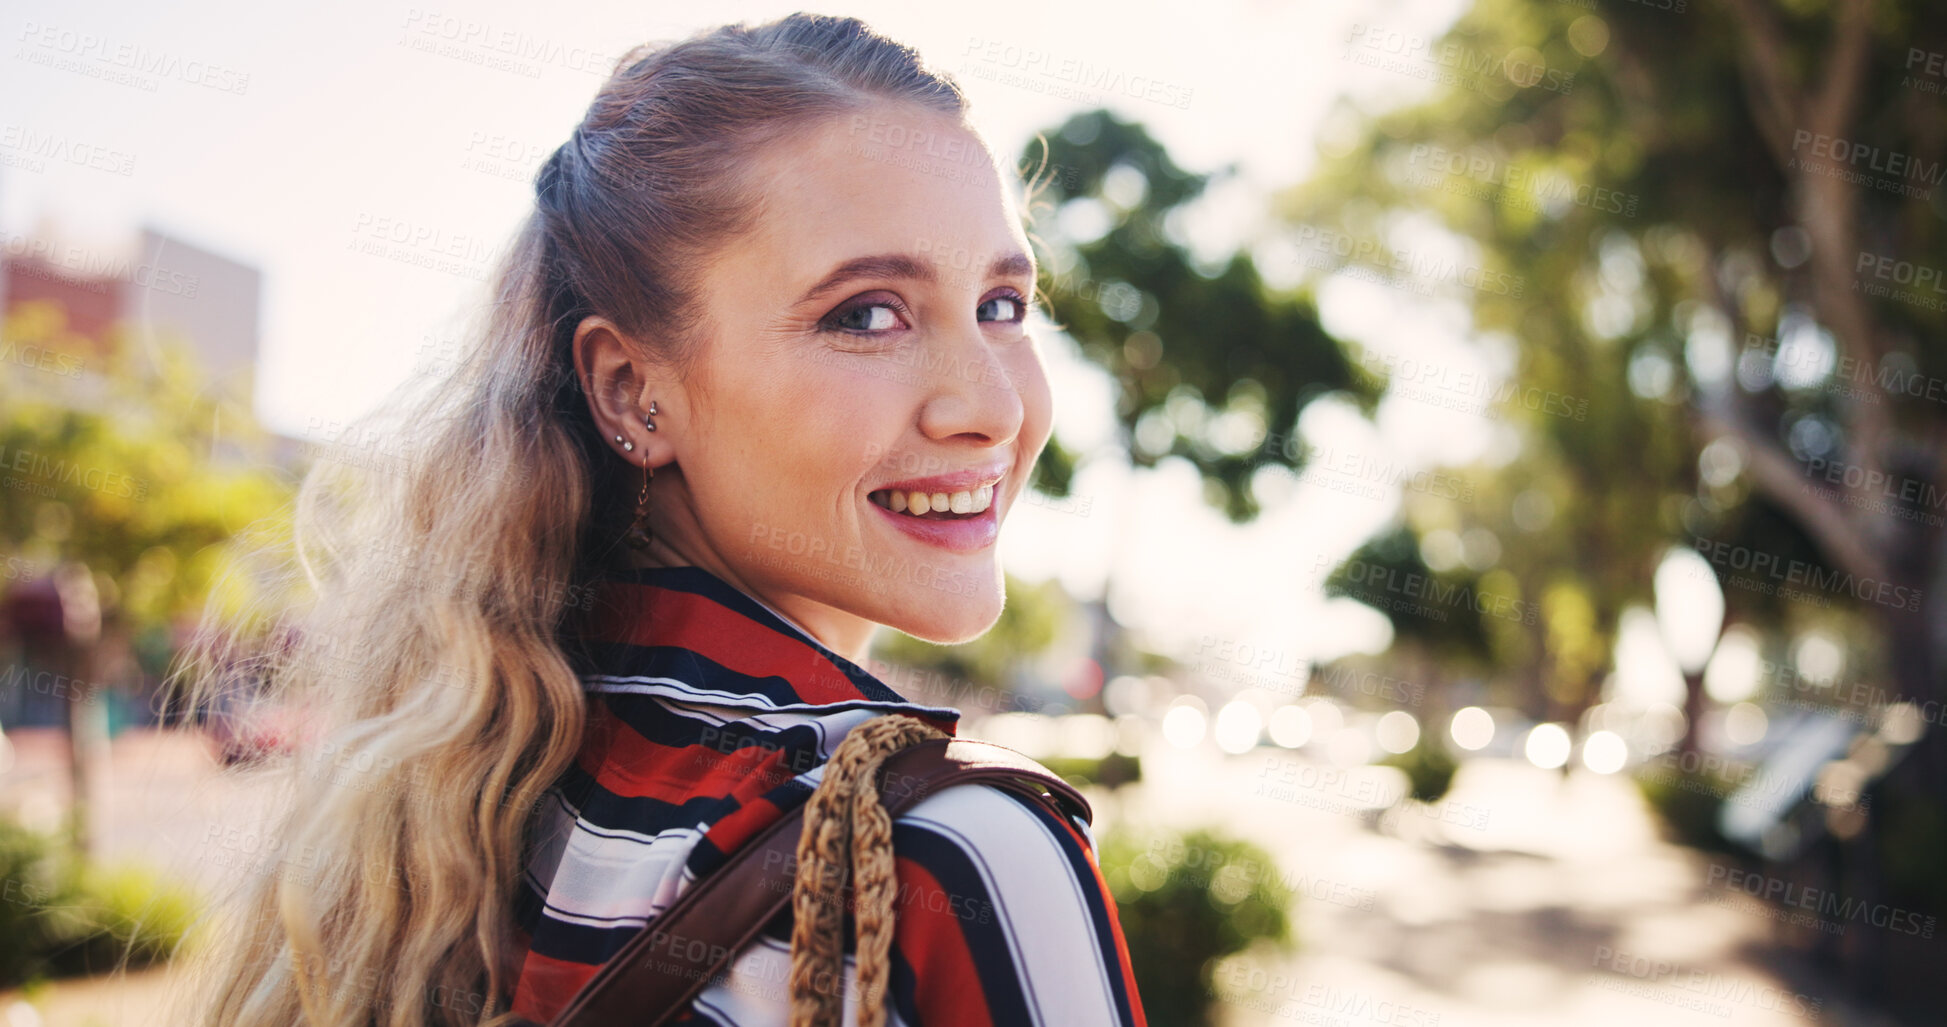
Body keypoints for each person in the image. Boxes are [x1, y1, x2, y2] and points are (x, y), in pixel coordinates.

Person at [176, 12, 1146, 1027]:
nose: (990, 406)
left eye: (1002, 304)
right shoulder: (959, 858)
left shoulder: (473, 793)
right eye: (865, 314)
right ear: (635, 390)